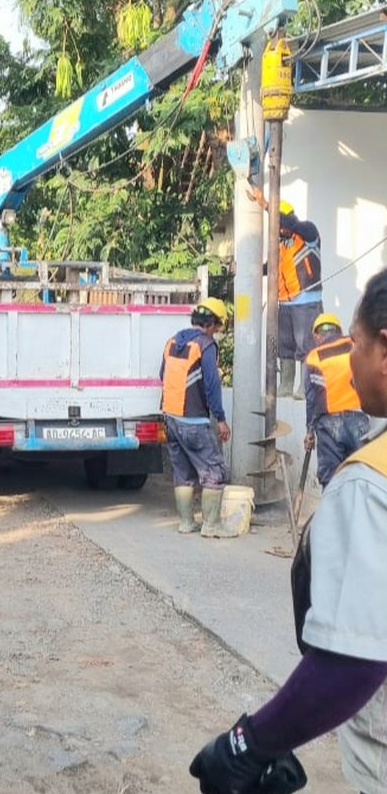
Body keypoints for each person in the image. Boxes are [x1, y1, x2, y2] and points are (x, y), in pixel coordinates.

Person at [189, 268, 387, 794]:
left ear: (383, 351)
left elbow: (351, 664)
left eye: (359, 344)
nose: (351, 356)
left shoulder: (370, 484)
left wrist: (248, 745)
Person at [160, 297, 231, 538]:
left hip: (170, 418)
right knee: (214, 471)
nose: (217, 332)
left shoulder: (172, 342)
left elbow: (163, 374)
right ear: (211, 324)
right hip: (194, 421)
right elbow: (212, 386)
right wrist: (220, 419)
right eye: (218, 327)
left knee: (182, 472)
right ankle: (211, 525)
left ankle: (186, 522)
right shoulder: (205, 345)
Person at [251, 186, 323, 398]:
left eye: (280, 225)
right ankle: (286, 384)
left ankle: (305, 385)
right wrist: (252, 269)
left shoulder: (308, 232)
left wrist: (265, 205)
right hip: (285, 301)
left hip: (306, 300)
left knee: (306, 345)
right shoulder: (281, 244)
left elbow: (292, 224)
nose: (279, 231)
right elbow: (270, 267)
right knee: (285, 345)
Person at [304, 311, 370, 489]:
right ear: (339, 331)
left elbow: (312, 399)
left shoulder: (314, 358)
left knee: (331, 480)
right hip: (359, 421)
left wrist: (309, 431)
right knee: (363, 476)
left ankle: (334, 513)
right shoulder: (355, 345)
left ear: (317, 335)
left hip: (329, 425)